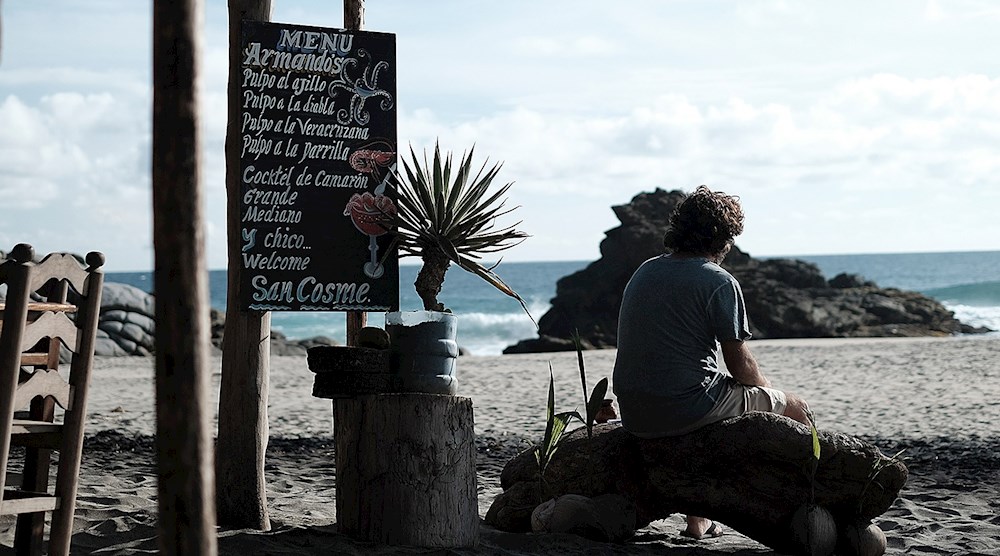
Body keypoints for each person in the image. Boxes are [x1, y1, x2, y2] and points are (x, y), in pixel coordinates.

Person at [611, 185, 812, 540]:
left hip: (635, 412)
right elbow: (739, 365)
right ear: (722, 239)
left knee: (701, 388)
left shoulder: (645, 270)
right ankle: (812, 502)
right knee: (796, 408)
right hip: (684, 407)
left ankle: (697, 521)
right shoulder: (718, 281)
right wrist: (770, 393)